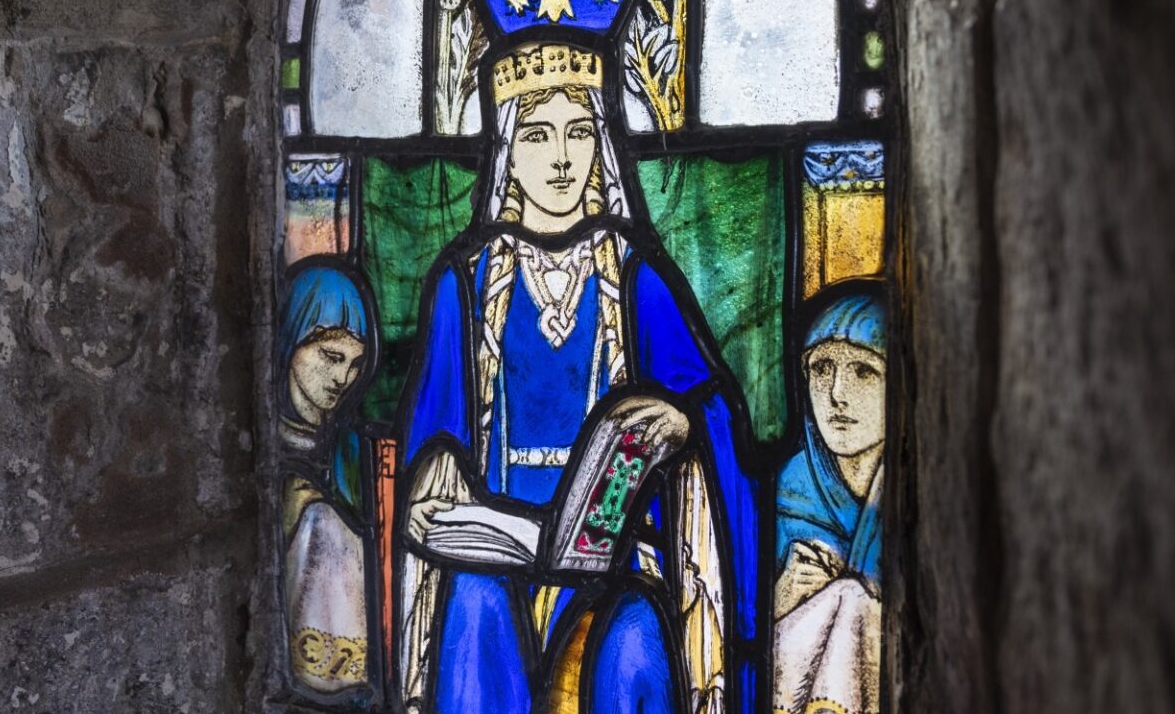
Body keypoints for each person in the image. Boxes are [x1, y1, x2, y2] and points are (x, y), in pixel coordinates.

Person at [395, 41, 761, 714]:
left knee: (635, 641)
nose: (561, 157)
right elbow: (431, 428)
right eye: (537, 135)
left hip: (616, 563)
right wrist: (433, 471)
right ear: (507, 147)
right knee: (472, 611)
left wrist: (683, 423)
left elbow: (714, 408)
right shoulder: (465, 284)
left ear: (600, 141)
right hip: (493, 560)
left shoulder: (635, 277)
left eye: (579, 131)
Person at [772, 293, 887, 714]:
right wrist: (779, 598)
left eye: (863, 371)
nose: (837, 394)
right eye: (822, 369)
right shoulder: (782, 492)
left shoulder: (917, 496)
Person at [280, 265, 376, 697]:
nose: (343, 379)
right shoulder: (267, 448)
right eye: (330, 357)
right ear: (290, 342)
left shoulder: (354, 449)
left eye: (355, 364)